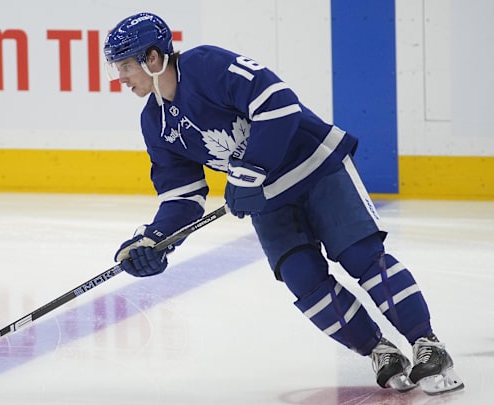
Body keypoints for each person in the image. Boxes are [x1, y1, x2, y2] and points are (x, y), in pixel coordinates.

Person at [104, 12, 464, 396]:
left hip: (315, 167)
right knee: (303, 280)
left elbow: (278, 103)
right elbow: (182, 195)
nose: (120, 77)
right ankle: (380, 350)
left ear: (154, 58)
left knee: (361, 255)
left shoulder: (206, 65)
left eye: (126, 65)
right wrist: (155, 240)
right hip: (267, 198)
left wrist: (249, 168)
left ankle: (428, 344)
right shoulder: (154, 122)